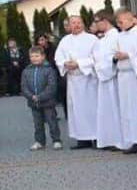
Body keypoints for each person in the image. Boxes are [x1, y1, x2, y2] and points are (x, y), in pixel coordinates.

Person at [55, 17, 98, 149]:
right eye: (73, 23)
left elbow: (97, 57)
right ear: (69, 26)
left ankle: (96, 137)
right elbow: (58, 57)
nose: (77, 25)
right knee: (76, 110)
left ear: (83, 24)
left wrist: (79, 63)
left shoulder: (92, 39)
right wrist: (65, 63)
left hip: (88, 80)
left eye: (79, 22)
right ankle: (82, 139)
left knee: (91, 108)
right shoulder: (65, 41)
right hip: (73, 81)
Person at [91, 11, 124, 151]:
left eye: (97, 21)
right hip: (103, 78)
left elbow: (114, 57)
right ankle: (109, 139)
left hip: (114, 79)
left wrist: (108, 63)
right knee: (106, 110)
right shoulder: (103, 39)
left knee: (116, 109)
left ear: (105, 20)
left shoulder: (116, 36)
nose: (96, 24)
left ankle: (119, 140)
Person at [22, 46, 63, 150]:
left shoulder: (49, 69)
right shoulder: (26, 71)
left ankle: (56, 140)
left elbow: (52, 86)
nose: (34, 58)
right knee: (37, 124)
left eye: (37, 56)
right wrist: (31, 96)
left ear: (43, 56)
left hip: (48, 102)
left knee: (52, 121)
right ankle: (39, 141)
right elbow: (24, 86)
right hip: (33, 102)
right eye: (32, 56)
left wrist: (40, 97)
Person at [114, 9, 137, 153]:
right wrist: (115, 56)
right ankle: (129, 139)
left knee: (135, 108)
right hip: (122, 74)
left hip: (133, 75)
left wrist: (128, 55)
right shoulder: (119, 36)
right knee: (125, 108)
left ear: (131, 19)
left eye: (121, 21)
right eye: (117, 22)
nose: (119, 25)